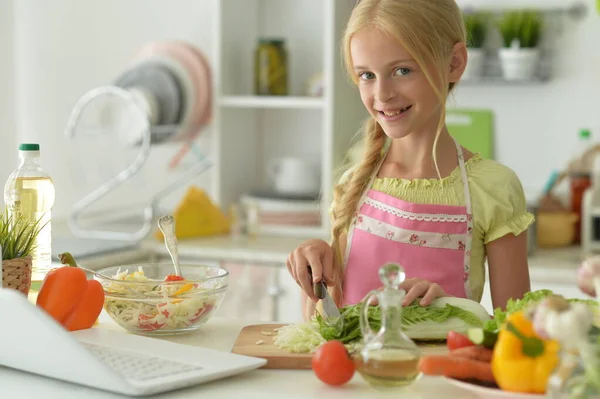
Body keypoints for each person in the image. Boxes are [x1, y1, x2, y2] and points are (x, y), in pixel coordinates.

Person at [286, 0, 534, 320]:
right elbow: (326, 328)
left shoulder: (494, 188)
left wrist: (452, 310)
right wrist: (314, 267)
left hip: (443, 371)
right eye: (367, 75)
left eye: (402, 70)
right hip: (356, 372)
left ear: (454, 63)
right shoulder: (353, 186)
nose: (382, 94)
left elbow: (519, 334)